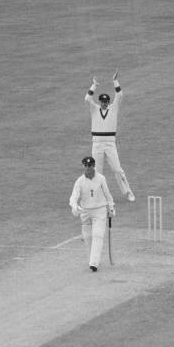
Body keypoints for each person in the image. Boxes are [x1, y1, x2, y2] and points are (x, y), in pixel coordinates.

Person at [85, 69, 135, 202]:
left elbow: (120, 95)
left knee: (117, 169)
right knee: (97, 171)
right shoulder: (94, 109)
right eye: (103, 102)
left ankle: (128, 192)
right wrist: (94, 85)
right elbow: (87, 98)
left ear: (109, 102)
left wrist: (115, 81)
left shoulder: (114, 108)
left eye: (106, 102)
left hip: (110, 143)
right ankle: (98, 196)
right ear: (100, 102)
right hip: (97, 143)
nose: (105, 104)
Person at [69, 156, 115, 272]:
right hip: (85, 212)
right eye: (86, 166)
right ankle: (92, 260)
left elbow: (107, 194)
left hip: (99, 210)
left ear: (94, 166)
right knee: (88, 237)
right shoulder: (80, 181)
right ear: (83, 166)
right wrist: (75, 207)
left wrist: (111, 208)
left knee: (98, 235)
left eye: (90, 165)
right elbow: (73, 197)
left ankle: (94, 263)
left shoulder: (101, 179)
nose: (88, 168)